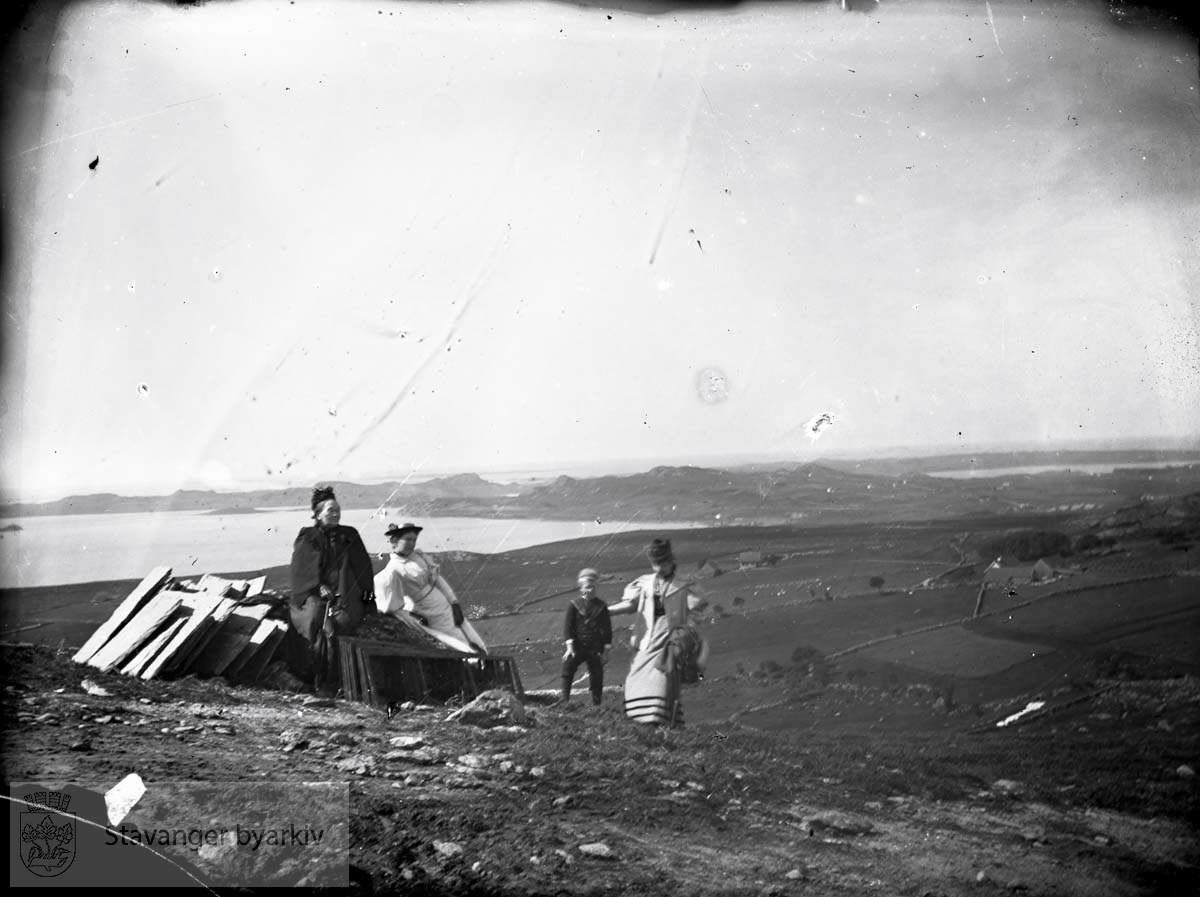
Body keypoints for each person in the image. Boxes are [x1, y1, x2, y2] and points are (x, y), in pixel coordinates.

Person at [607, 538, 709, 726]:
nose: (659, 568)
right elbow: (631, 604)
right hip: (647, 637)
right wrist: (607, 611)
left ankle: (660, 722)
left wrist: (686, 633)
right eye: (655, 564)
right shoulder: (645, 584)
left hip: (669, 638)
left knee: (663, 679)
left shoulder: (685, 585)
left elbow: (696, 611)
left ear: (671, 561)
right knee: (635, 678)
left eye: (662, 563)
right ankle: (638, 720)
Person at [287, 485, 375, 693]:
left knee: (344, 620)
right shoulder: (308, 536)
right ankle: (314, 677)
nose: (335, 514)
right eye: (330, 510)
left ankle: (337, 681)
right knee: (315, 618)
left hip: (346, 592)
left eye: (337, 510)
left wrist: (367, 600)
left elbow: (363, 568)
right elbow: (302, 570)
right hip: (313, 592)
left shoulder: (349, 534)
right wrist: (318, 586)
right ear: (317, 514)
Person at [373, 522, 487, 655]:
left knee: (470, 635)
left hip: (442, 603)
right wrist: (413, 615)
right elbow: (393, 604)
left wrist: (454, 603)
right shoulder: (392, 570)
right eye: (408, 539)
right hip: (425, 610)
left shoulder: (418, 557)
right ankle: (475, 664)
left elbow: (438, 580)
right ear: (395, 541)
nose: (412, 543)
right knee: (457, 642)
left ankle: (482, 658)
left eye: (414, 540)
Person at [559, 568, 612, 706]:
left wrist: (605, 652)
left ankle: (596, 705)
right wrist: (569, 648)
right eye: (587, 587)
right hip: (577, 647)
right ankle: (564, 700)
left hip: (595, 648)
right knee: (568, 668)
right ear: (581, 588)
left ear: (597, 587)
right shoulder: (574, 605)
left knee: (597, 675)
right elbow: (567, 627)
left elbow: (607, 630)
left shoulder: (601, 606)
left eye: (593, 587)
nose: (590, 590)